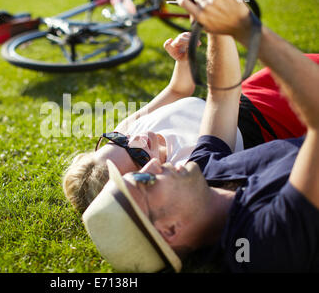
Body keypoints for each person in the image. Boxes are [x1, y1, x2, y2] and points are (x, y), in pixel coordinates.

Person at [82, 0, 319, 273]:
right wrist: (246, 29)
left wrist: (208, 21)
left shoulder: (205, 174)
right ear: (169, 230)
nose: (151, 166)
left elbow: (221, 95)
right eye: (144, 182)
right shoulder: (259, 245)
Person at [63, 22, 307, 215]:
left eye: (119, 141)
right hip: (277, 123)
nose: (135, 138)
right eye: (138, 156)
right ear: (144, 181)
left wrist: (183, 61)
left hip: (250, 91)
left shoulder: (128, 131)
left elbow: (178, 90)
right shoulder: (184, 175)